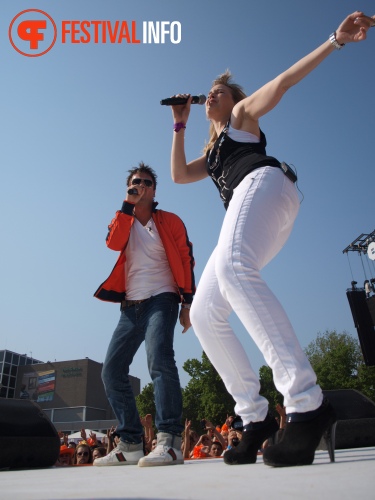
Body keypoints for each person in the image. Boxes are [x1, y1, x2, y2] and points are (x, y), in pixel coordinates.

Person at [169, 11, 374, 468]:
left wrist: (335, 41)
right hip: (257, 209)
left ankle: (306, 403)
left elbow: (282, 82)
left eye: (219, 91)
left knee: (233, 267)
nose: (212, 95)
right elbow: (179, 175)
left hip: (264, 184)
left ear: (235, 100)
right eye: (210, 93)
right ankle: (255, 417)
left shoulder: (243, 118)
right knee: (204, 311)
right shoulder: (212, 151)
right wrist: (179, 122)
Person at [94, 162, 196, 467]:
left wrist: (187, 303)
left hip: (162, 299)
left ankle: (170, 441)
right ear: (129, 188)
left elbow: (187, 257)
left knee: (159, 359)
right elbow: (113, 244)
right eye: (136, 182)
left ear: (154, 190)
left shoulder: (170, 221)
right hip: (130, 305)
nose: (142, 185)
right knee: (111, 371)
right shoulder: (121, 219)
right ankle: (130, 443)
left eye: (148, 182)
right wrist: (127, 205)